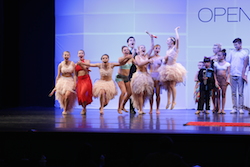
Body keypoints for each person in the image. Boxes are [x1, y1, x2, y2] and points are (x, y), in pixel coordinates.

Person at [158, 26, 187, 110]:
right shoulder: (168, 50)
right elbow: (165, 60)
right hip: (167, 68)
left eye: (168, 40)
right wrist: (164, 60)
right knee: (168, 86)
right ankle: (168, 101)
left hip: (173, 68)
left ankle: (174, 101)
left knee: (172, 85)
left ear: (172, 42)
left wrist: (176, 31)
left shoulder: (175, 48)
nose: (167, 41)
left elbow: (178, 39)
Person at [130, 32, 154, 114]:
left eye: (144, 48)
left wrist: (151, 38)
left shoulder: (146, 56)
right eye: (141, 48)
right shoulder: (137, 57)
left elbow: (152, 47)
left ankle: (141, 106)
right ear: (139, 50)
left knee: (145, 93)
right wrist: (148, 61)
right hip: (139, 76)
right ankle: (140, 109)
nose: (143, 49)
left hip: (146, 76)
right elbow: (139, 64)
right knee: (140, 93)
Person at [226, 38, 248, 114]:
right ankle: (234, 107)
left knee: (240, 92)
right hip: (232, 74)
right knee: (233, 92)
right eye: (234, 45)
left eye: (236, 44)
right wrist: (228, 74)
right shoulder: (232, 52)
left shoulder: (244, 53)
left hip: (240, 75)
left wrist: (244, 75)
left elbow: (246, 65)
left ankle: (241, 107)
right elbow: (228, 63)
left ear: (240, 44)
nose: (235, 46)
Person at [115, 46, 133, 114]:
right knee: (123, 92)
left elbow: (137, 63)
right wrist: (126, 57)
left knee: (130, 93)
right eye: (124, 50)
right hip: (120, 77)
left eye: (127, 50)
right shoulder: (120, 58)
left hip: (126, 77)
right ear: (122, 51)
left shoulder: (131, 59)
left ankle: (123, 106)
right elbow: (121, 62)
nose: (126, 51)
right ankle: (119, 108)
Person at [75, 49, 93, 115]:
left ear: (84, 54)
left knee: (83, 93)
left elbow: (86, 68)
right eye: (79, 53)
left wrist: (80, 64)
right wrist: (75, 82)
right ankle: (84, 108)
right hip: (79, 80)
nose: (80, 54)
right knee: (80, 96)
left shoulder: (87, 61)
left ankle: (84, 108)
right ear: (77, 55)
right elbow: (75, 74)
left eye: (82, 53)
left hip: (86, 79)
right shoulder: (75, 64)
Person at [214, 49, 230, 114]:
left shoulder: (227, 64)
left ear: (223, 56)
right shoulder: (216, 64)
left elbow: (228, 73)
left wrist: (227, 80)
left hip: (224, 79)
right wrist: (216, 81)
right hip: (218, 79)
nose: (218, 56)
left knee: (223, 94)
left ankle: (223, 109)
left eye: (220, 55)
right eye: (218, 55)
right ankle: (218, 109)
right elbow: (214, 73)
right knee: (218, 94)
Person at [148, 44, 163, 114]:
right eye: (156, 48)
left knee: (157, 93)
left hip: (158, 76)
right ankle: (151, 108)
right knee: (151, 94)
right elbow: (147, 67)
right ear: (153, 49)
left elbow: (163, 67)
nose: (157, 50)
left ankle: (157, 108)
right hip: (151, 76)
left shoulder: (161, 58)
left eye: (159, 48)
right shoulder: (150, 57)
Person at [210, 44, 222, 113]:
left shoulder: (221, 57)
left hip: (219, 75)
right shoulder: (211, 57)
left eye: (215, 48)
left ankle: (219, 107)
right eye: (213, 48)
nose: (214, 49)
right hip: (212, 76)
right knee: (213, 93)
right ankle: (214, 106)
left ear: (219, 49)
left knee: (219, 92)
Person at [127, 36, 137, 114]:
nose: (132, 41)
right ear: (128, 43)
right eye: (130, 40)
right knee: (130, 92)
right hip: (128, 73)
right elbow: (130, 61)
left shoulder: (137, 51)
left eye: (133, 40)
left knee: (135, 91)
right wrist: (133, 53)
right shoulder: (126, 51)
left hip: (135, 72)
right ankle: (131, 108)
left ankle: (134, 107)